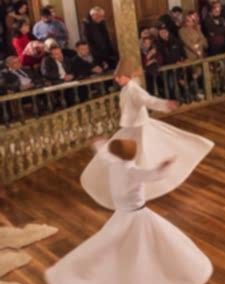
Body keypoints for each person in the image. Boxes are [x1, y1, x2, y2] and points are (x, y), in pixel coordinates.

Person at [45, 138, 212, 284]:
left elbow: (103, 156)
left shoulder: (113, 163)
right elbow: (153, 176)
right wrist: (164, 166)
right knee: (147, 242)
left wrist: (98, 144)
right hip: (136, 213)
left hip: (122, 212)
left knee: (114, 241)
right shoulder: (132, 171)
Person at [79, 58, 214, 210]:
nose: (117, 79)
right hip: (130, 126)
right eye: (116, 77)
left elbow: (148, 100)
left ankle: (143, 182)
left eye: (120, 76)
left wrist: (164, 104)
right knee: (125, 153)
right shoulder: (126, 88)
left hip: (139, 126)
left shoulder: (133, 88)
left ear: (127, 76)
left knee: (143, 152)